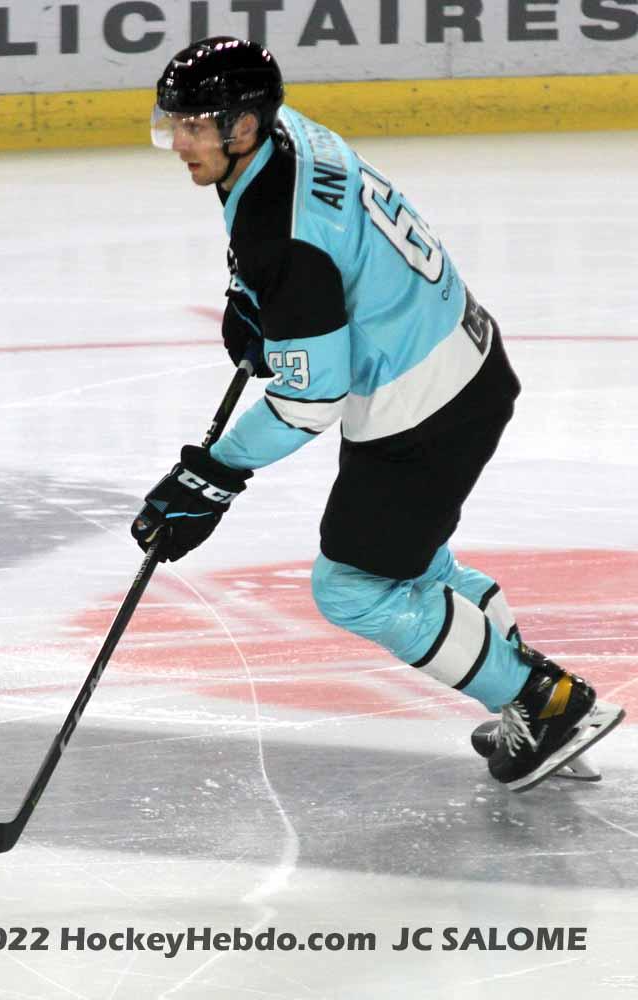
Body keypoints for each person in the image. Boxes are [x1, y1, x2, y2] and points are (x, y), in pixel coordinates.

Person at [131, 36, 624, 793]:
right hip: (460, 359)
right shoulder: (294, 134)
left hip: (423, 408)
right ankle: (530, 695)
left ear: (245, 126)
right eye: (176, 124)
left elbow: (309, 400)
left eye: (198, 125)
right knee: (412, 560)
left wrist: (213, 474)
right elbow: (329, 244)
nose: (180, 143)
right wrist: (258, 303)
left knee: (353, 585)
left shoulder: (279, 235)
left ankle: (544, 703)